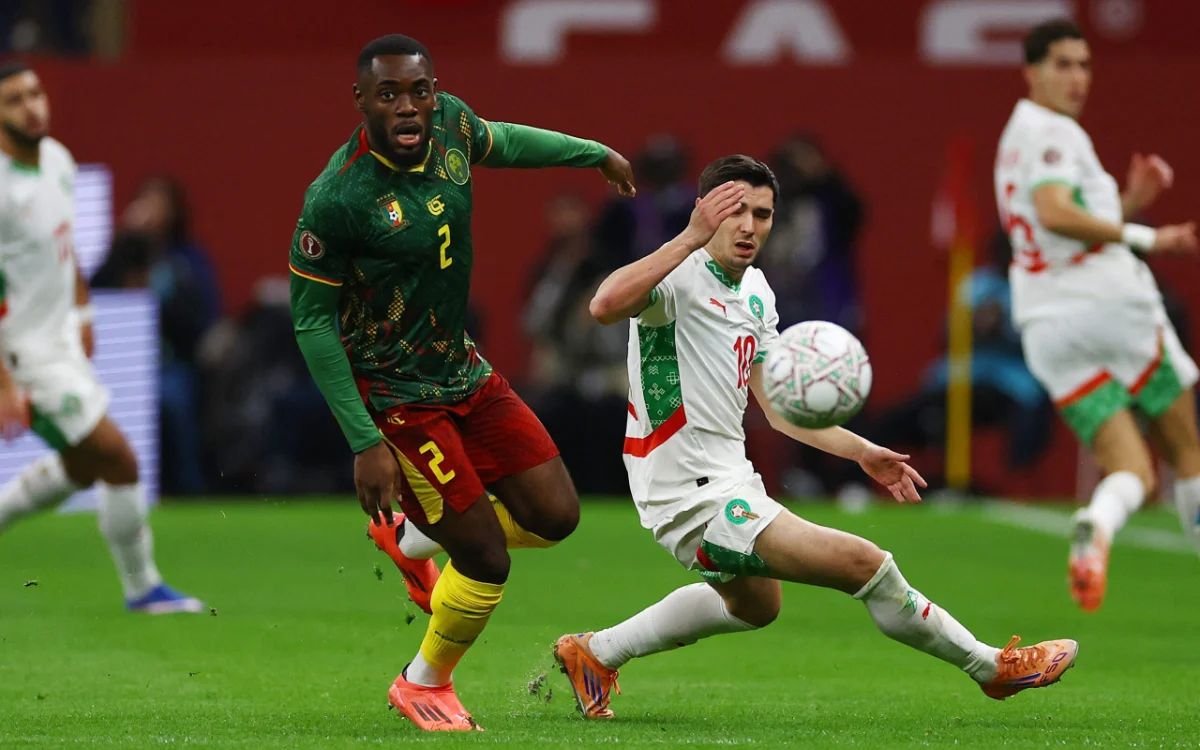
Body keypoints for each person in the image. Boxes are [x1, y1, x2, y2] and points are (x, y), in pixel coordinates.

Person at [550, 155, 1077, 720]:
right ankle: (991, 667)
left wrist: (862, 451)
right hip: (685, 490)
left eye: (762, 214)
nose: (749, 226)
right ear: (705, 210)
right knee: (863, 562)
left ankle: (596, 652)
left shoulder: (755, 291)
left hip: (729, 479)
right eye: (734, 211)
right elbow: (604, 305)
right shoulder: (675, 274)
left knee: (756, 606)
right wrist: (689, 237)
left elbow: (780, 409)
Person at [288, 35, 634, 732]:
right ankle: (423, 682)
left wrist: (592, 152)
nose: (408, 106)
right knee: (484, 556)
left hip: (464, 371)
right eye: (388, 94)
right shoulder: (338, 199)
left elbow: (505, 141)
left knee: (557, 516)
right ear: (361, 102)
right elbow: (313, 323)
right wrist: (364, 441)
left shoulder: (451, 124)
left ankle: (412, 540)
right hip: (396, 398)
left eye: (419, 91)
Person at [994, 19, 1200, 612]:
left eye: (1084, 65)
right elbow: (1055, 211)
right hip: (1111, 306)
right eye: (1062, 64)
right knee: (1185, 450)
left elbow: (1060, 226)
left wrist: (1127, 202)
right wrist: (1150, 235)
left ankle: (1098, 523)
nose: (1078, 78)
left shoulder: (1017, 136)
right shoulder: (1056, 133)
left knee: (1131, 467)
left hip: (1047, 325)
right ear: (1031, 71)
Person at [0, 61, 203, 614]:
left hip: (61, 341)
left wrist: (84, 314)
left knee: (84, 465)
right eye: (14, 99)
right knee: (119, 459)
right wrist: (5, 383)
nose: (31, 106)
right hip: (25, 355)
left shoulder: (58, 160)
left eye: (35, 93)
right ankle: (143, 589)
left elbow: (65, 252)